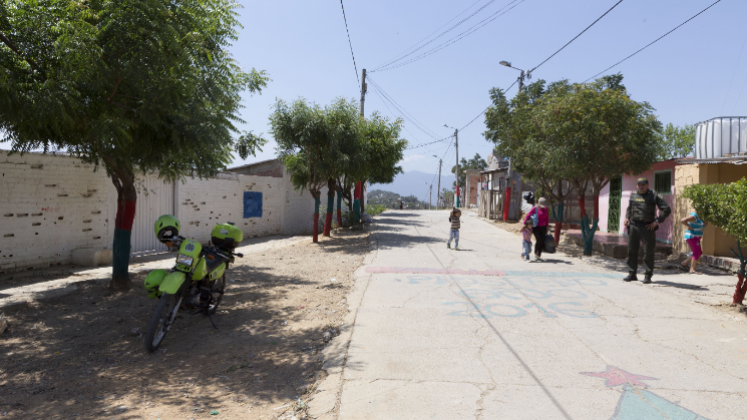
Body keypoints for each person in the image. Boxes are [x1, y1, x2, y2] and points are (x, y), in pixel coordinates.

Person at [623, 177, 671, 284]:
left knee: (648, 252)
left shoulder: (653, 195)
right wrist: (627, 218)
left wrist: (657, 221)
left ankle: (648, 275)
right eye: (639, 184)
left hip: (647, 228)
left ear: (647, 185)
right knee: (631, 250)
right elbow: (629, 208)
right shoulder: (633, 195)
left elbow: (667, 209)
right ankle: (632, 273)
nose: (641, 186)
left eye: (643, 184)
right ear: (637, 185)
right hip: (634, 227)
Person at [523, 197, 549, 261]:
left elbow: (547, 218)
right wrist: (523, 224)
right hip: (536, 226)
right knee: (539, 240)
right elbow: (528, 216)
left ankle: (539, 255)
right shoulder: (534, 208)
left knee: (542, 241)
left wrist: (547, 226)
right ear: (538, 203)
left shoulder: (545, 209)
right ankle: (535, 254)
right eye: (541, 205)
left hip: (543, 227)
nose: (542, 207)